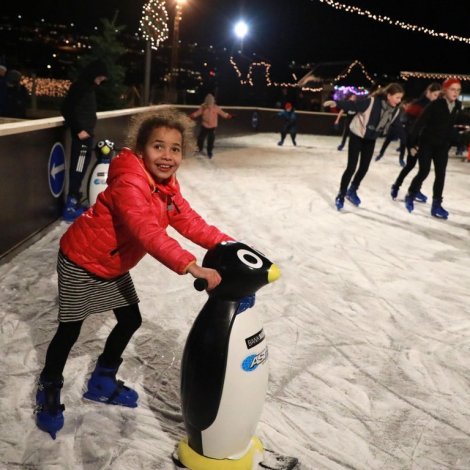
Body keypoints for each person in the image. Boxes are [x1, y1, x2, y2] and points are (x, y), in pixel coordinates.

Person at [34, 107, 235, 439]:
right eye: (158, 146)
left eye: (175, 148)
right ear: (141, 150)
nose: (167, 156)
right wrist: (191, 265)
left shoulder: (166, 186)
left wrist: (227, 243)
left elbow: (187, 219)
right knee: (70, 330)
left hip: (112, 264)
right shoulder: (131, 181)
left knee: (130, 320)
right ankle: (49, 387)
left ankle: (101, 381)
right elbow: (146, 231)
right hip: (81, 259)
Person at [324, 82, 405, 210]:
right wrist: (337, 103)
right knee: (351, 167)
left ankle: (352, 190)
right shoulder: (372, 102)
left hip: (370, 139)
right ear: (389, 96)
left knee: (364, 168)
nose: (399, 101)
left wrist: (412, 144)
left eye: (400, 98)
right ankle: (341, 194)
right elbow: (354, 105)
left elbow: (400, 130)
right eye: (397, 97)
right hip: (357, 135)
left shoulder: (394, 111)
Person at [404, 78, 468, 219]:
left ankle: (436, 205)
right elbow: (419, 123)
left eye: (458, 90)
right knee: (424, 171)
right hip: (427, 143)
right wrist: (411, 144)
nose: (455, 92)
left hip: (442, 146)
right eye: (453, 89)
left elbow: (456, 122)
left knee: (441, 175)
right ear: (445, 90)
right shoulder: (435, 104)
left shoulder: (457, 106)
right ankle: (411, 193)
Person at [60, 59, 108, 222]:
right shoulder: (80, 87)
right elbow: (67, 109)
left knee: (81, 169)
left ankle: (74, 201)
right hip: (81, 139)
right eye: (100, 78)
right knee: (77, 170)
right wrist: (78, 130)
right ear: (94, 74)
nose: (101, 81)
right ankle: (70, 205)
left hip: (87, 138)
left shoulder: (88, 89)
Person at [390, 82, 441, 201]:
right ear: (428, 92)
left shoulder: (433, 106)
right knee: (410, 165)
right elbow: (408, 126)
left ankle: (416, 190)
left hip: (425, 142)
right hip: (413, 140)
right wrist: (412, 145)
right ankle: (396, 185)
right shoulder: (417, 105)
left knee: (424, 169)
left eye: (438, 96)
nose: (436, 98)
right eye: (434, 95)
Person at [189, 93, 232, 158]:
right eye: (208, 101)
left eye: (211, 101)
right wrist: (192, 116)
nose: (209, 103)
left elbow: (223, 113)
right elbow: (197, 113)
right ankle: (199, 149)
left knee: (211, 140)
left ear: (213, 101)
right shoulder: (203, 107)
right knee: (200, 138)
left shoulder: (216, 107)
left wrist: (228, 116)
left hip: (212, 127)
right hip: (204, 126)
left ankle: (209, 152)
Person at [374, 102, 407, 167]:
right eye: (407, 105)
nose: (408, 106)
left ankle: (401, 159)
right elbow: (392, 118)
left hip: (402, 129)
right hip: (394, 128)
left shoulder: (407, 111)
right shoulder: (398, 109)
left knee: (403, 143)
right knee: (387, 142)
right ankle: (381, 154)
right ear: (404, 104)